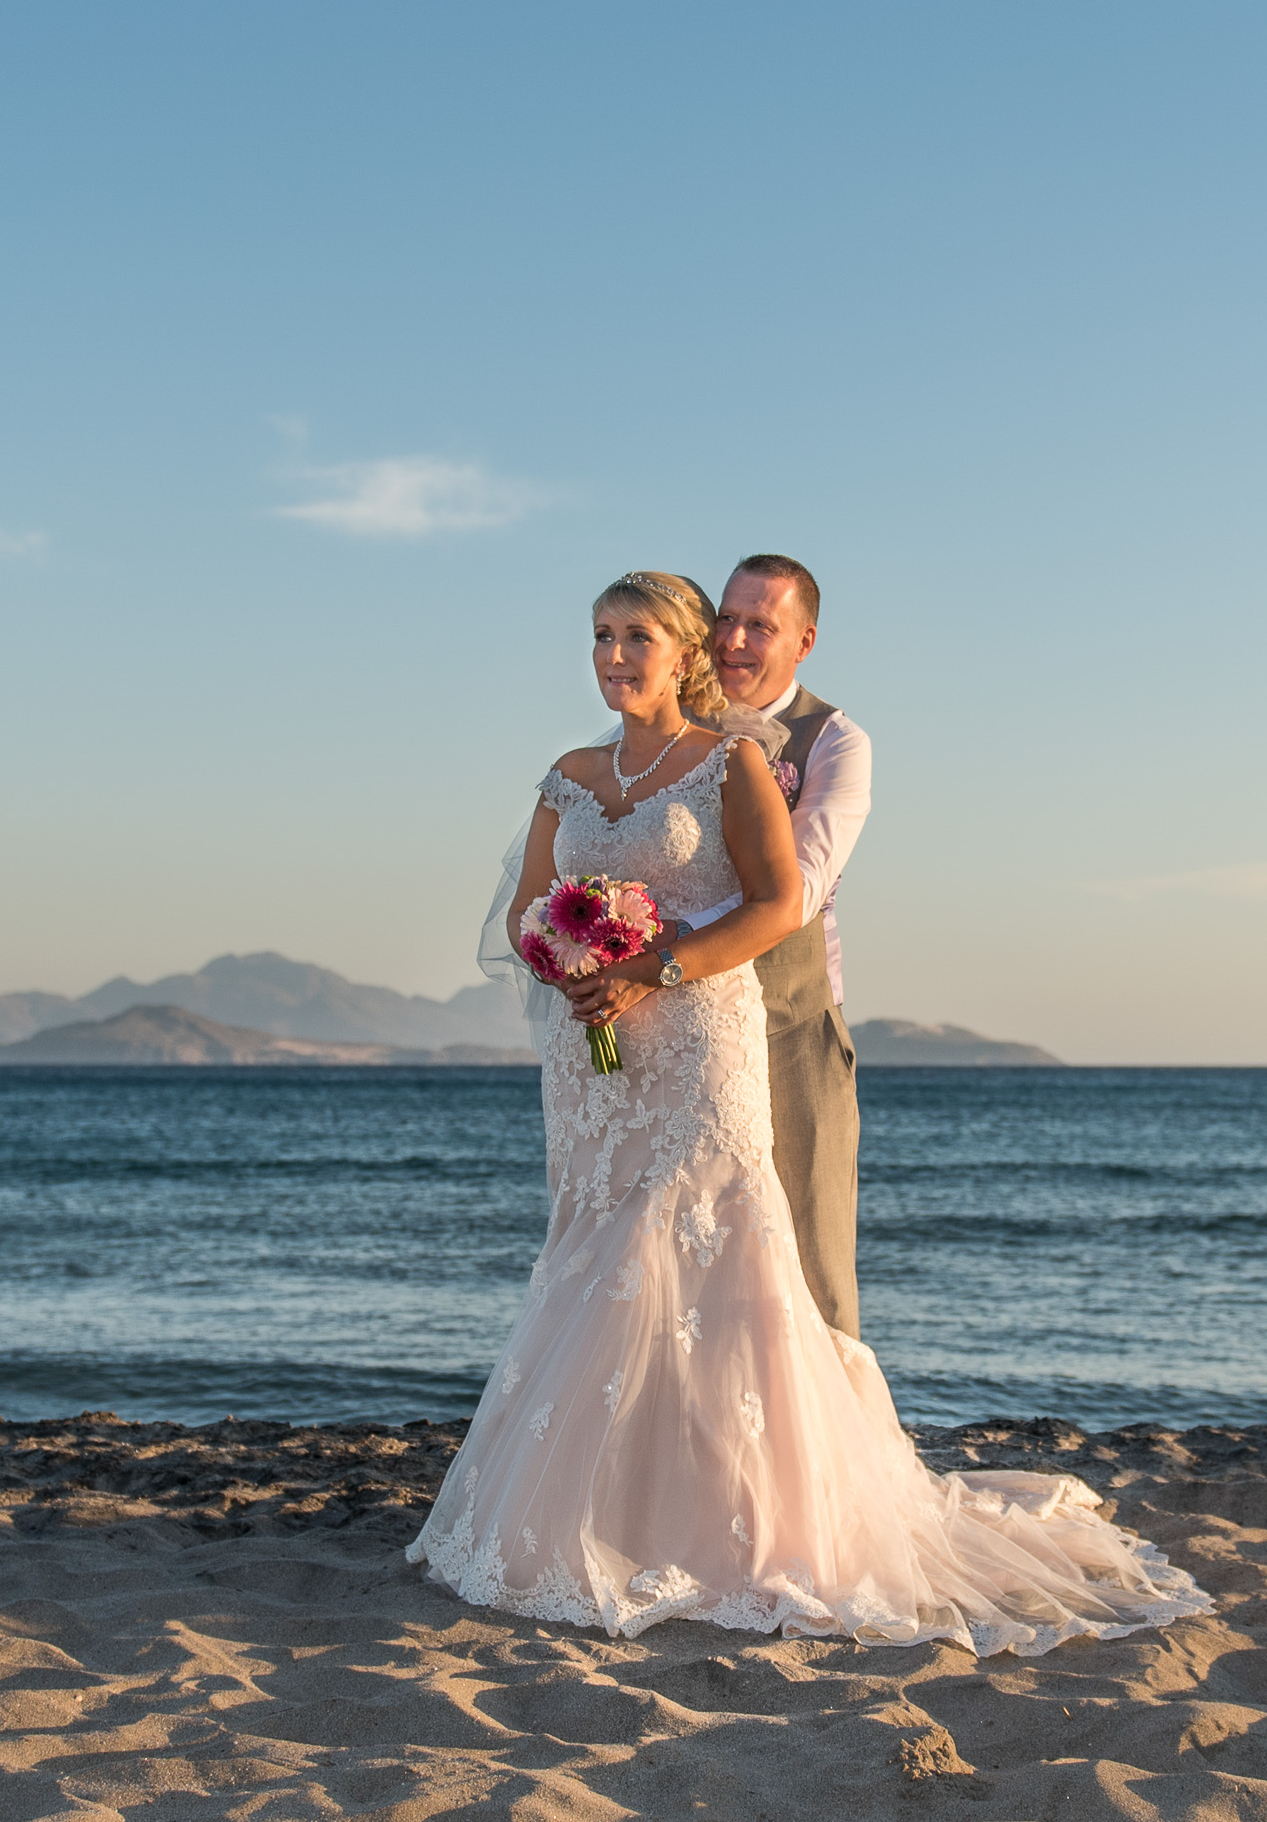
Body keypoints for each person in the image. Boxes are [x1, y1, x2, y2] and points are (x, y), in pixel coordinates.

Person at [408, 570, 1206, 1652]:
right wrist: (565, 960)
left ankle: (747, 1526)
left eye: (637, 635)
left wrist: (659, 969)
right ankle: (605, 1513)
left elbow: (782, 900)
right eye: (600, 635)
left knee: (704, 1249)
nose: (613, 655)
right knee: (599, 1249)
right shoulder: (566, 776)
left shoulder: (732, 763)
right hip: (597, 1056)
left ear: (684, 651)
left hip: (699, 1037)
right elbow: (524, 907)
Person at [705, 555, 868, 1338]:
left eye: (759, 625)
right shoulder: (664, 728)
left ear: (803, 640)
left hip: (790, 1024)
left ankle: (835, 1453)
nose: (733, 638)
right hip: (681, 1034)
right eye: (725, 617)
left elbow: (795, 893)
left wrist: (663, 950)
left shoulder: (835, 740)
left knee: (812, 1258)